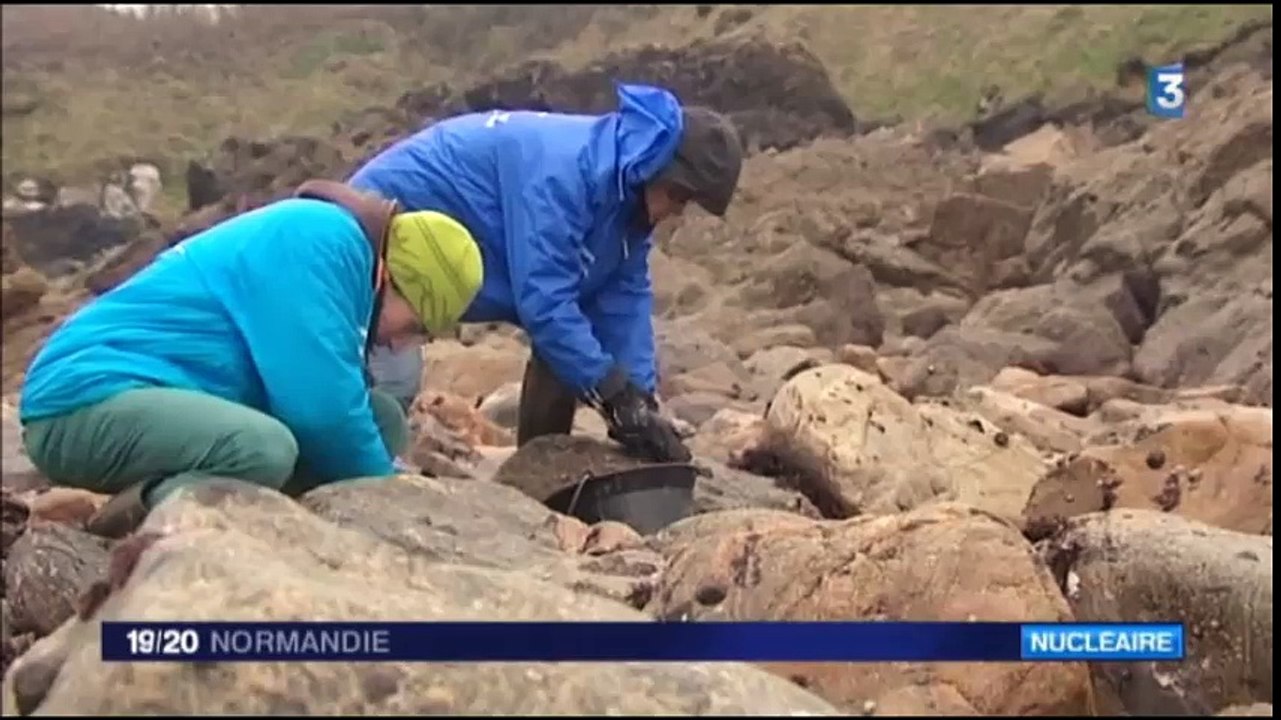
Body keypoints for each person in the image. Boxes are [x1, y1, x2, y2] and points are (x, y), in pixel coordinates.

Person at [18, 180, 483, 538]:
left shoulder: (344, 260)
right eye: (416, 327)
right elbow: (321, 409)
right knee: (262, 451)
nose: (403, 345)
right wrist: (392, 497)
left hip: (172, 396)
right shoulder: (320, 241)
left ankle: (257, 502)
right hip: (82, 401)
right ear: (398, 279)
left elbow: (340, 407)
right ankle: (131, 511)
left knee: (382, 419)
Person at [348, 83, 743, 463]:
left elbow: (623, 299)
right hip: (373, 244)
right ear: (654, 167)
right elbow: (545, 303)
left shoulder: (624, 198)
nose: (678, 211)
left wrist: (640, 400)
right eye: (679, 196)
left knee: (575, 347)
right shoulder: (563, 175)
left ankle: (537, 472)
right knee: (385, 384)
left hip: (446, 258)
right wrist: (610, 392)